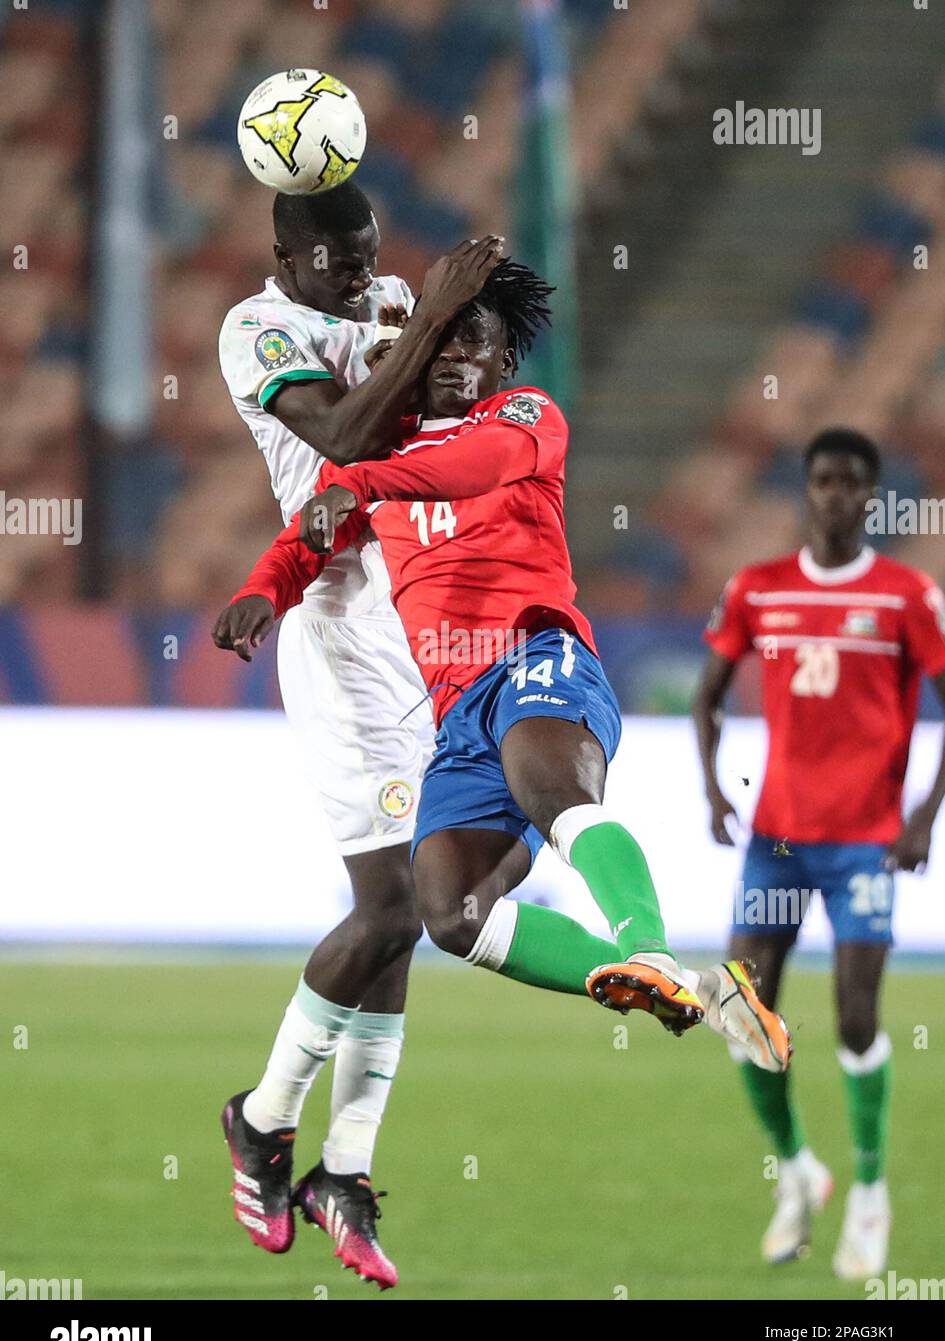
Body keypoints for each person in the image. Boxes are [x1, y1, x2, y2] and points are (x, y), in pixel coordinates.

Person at [215, 260, 792, 1137]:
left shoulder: (521, 420)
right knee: (447, 911)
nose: (448, 358)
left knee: (548, 787)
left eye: (470, 343)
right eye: (435, 342)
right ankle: (690, 992)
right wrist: (265, 586)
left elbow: (465, 469)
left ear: (502, 364)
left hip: (537, 655)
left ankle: (648, 944)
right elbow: (309, 540)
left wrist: (358, 483)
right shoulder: (385, 455)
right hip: (455, 714)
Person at [217, 177, 506, 1287]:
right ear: (285, 256)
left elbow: (437, 420)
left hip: (424, 617)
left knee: (400, 916)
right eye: (336, 262)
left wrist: (456, 323)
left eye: (371, 257)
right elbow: (342, 436)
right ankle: (262, 1113)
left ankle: (344, 1168)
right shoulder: (258, 329)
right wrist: (427, 316)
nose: (358, 278)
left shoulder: (388, 299)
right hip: (338, 628)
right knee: (395, 904)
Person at [693, 427, 945, 1277]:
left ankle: (870, 1192)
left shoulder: (908, 595)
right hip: (777, 837)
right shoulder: (758, 589)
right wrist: (710, 788)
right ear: (806, 489)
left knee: (855, 1017)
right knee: (739, 1012)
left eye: (851, 482)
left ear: (872, 495)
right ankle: (798, 1169)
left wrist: (922, 818)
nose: (835, 493)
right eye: (823, 479)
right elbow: (707, 695)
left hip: (865, 844)